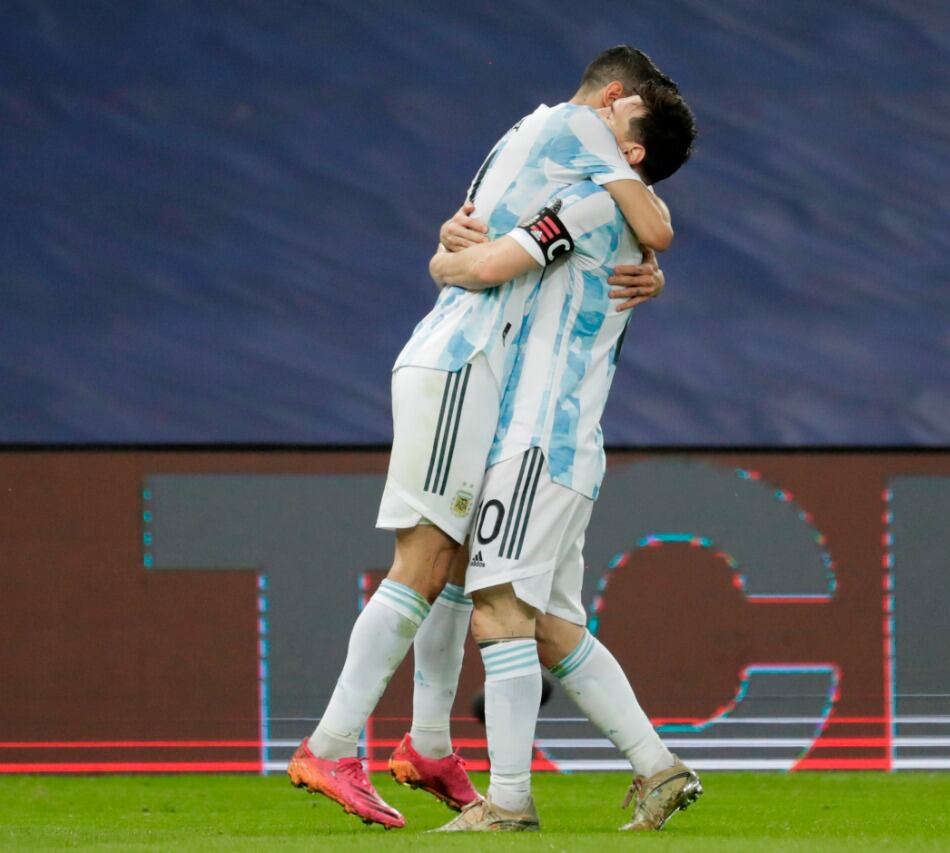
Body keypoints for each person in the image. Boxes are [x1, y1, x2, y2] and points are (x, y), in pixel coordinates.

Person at [285, 47, 681, 829]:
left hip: (504, 393)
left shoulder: (542, 147)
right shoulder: (580, 133)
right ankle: (338, 746)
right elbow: (653, 225)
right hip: (467, 362)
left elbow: (613, 235)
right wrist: (448, 260)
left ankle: (438, 747)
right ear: (612, 104)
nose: (628, 152)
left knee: (467, 568)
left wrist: (447, 253)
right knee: (437, 562)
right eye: (630, 137)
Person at [426, 82, 700, 833]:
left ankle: (507, 800)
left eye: (615, 117)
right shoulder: (626, 214)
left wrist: (445, 261)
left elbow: (487, 269)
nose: (597, 117)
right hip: (570, 443)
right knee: (548, 627)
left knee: (498, 606)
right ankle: (659, 767)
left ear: (629, 151)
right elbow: (649, 230)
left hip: (537, 437)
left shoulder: (590, 207)